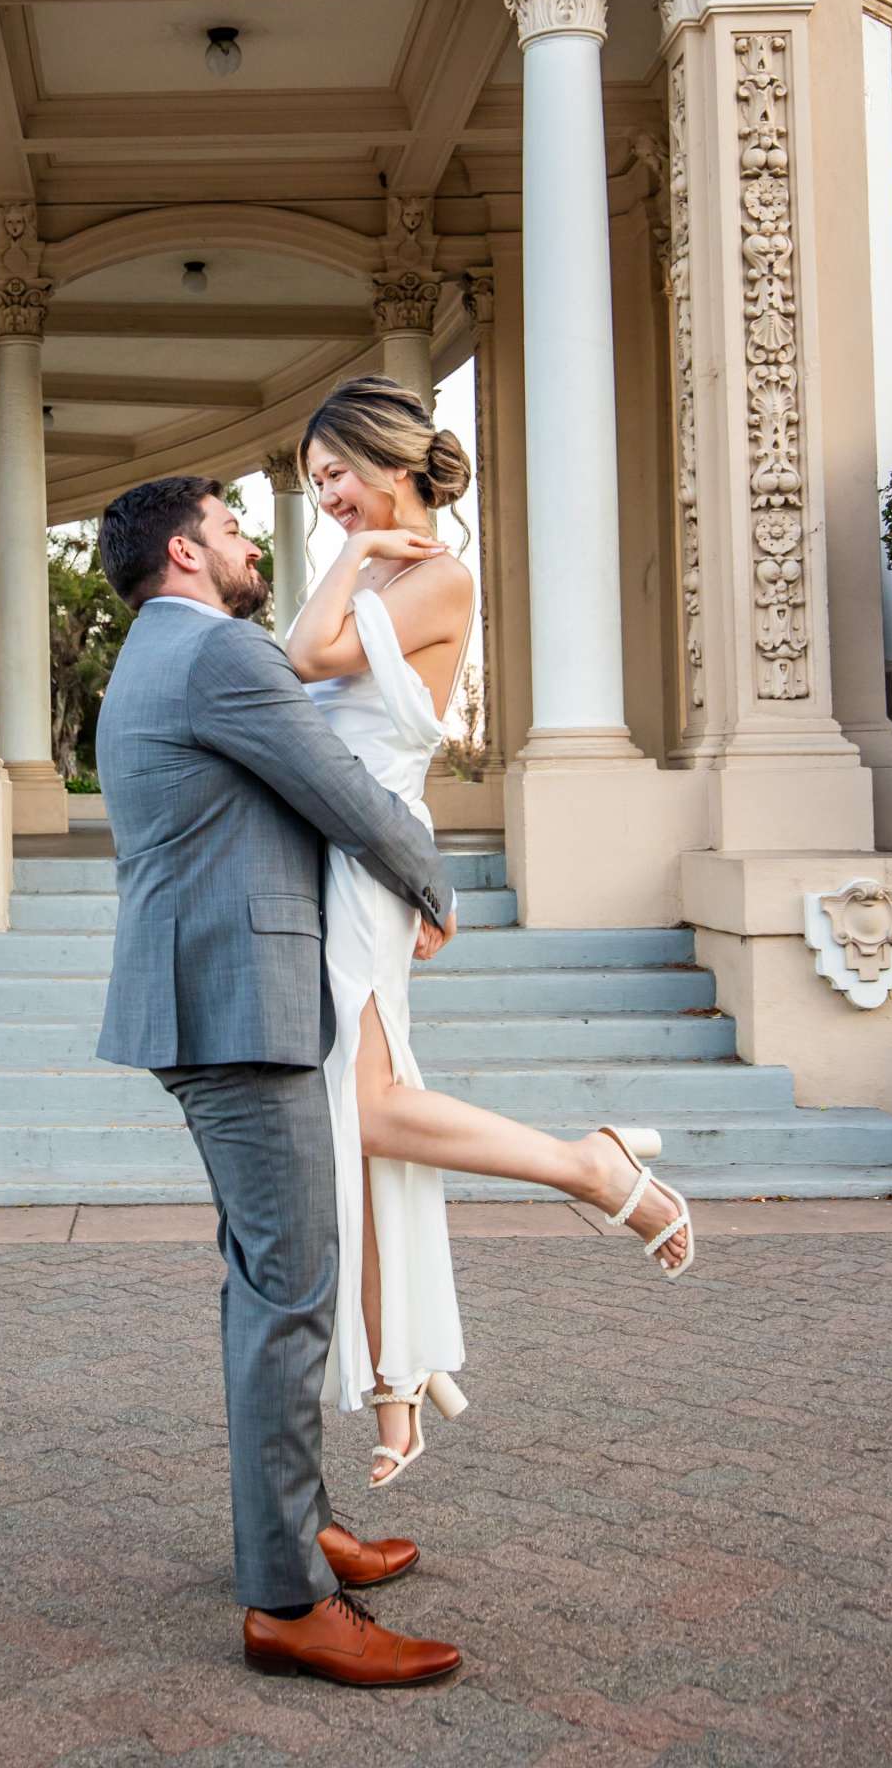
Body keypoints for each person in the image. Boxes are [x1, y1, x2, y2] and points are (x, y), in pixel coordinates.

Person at [285, 377, 694, 1491]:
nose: (326, 499)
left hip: (365, 855)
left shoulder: (439, 575)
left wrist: (360, 558)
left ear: (390, 462)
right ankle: (394, 1384)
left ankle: (589, 1169)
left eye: (336, 476)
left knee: (365, 1111)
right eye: (312, 484)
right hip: (343, 851)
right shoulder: (392, 571)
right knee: (355, 1122)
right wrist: (362, 555)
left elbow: (303, 661)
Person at [93, 474, 464, 1688]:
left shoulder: (158, 654)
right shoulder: (217, 658)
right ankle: (289, 1603)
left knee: (268, 1285)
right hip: (237, 1009)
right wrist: (432, 883)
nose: (251, 540)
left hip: (211, 998)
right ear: (186, 555)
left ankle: (290, 1531)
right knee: (293, 1290)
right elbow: (340, 791)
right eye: (233, 525)